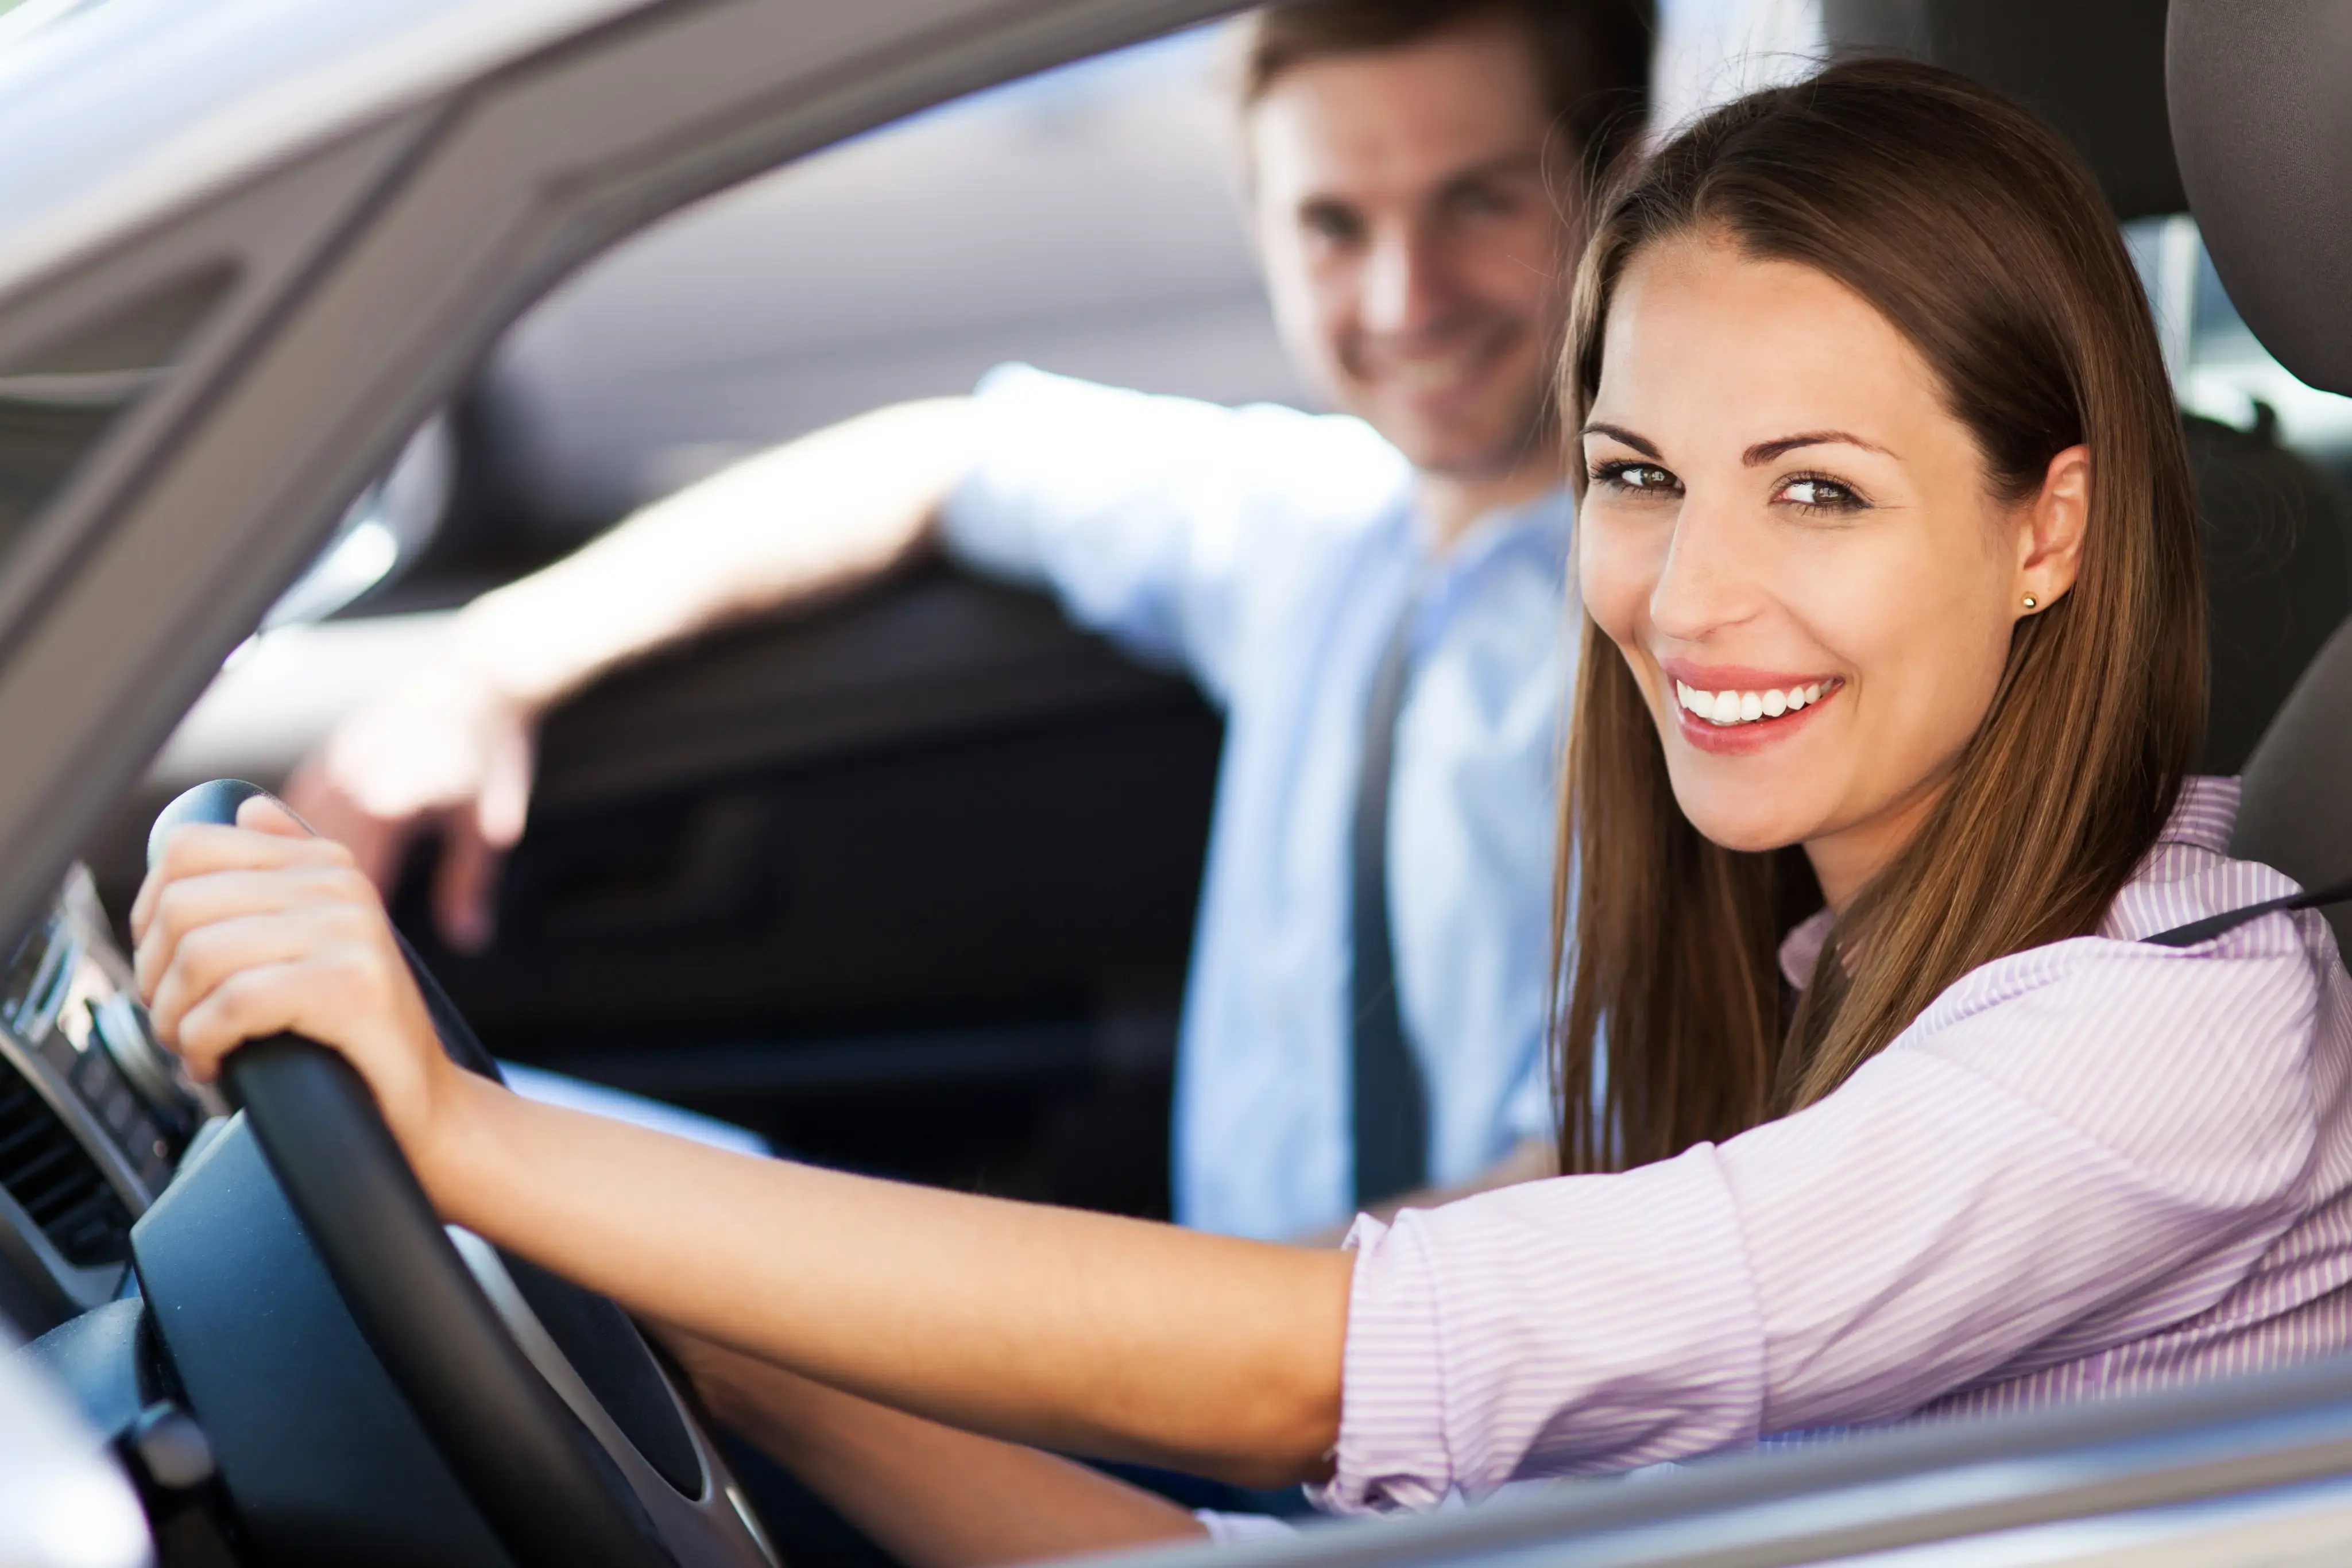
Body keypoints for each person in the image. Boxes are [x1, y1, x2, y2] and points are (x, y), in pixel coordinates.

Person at [134, 56, 2352, 1564]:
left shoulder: (2161, 1036)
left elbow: (1318, 1373)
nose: (1688, 594)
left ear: (2045, 528)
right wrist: (717, 1342)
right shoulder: (1824, 990)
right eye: (1639, 479)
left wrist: (481, 1141)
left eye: (1819, 493)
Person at [280, 0, 1657, 1244]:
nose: (1402, 298)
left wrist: (1155, 1354)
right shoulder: (1306, 528)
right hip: (1262, 1413)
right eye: (1332, 226)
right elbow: (938, 462)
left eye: (1477, 204)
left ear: (1624, 186)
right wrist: (493, 668)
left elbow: (1593, 1194)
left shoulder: (1670, 631)